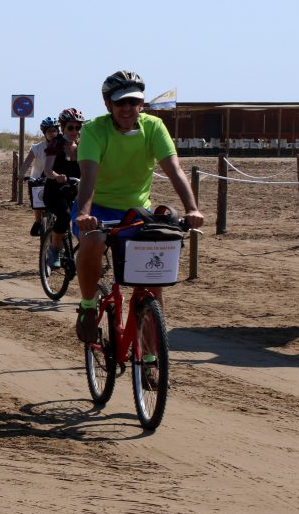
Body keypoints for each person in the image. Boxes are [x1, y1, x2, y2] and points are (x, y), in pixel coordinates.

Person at [73, 70, 204, 343]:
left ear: (141, 104)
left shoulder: (154, 127)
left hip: (136, 212)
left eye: (133, 102)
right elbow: (89, 176)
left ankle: (151, 356)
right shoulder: (94, 130)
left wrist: (192, 208)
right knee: (93, 241)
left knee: (153, 285)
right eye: (120, 102)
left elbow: (174, 170)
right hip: (97, 208)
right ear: (108, 104)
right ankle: (87, 306)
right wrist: (85, 214)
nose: (127, 108)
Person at [42, 108, 84, 268]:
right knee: (65, 216)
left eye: (78, 127)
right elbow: (47, 170)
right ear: (63, 127)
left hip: (74, 190)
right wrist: (56, 176)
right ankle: (54, 249)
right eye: (71, 127)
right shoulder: (56, 144)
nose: (75, 131)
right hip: (55, 192)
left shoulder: (82, 145)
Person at [21, 116, 59, 236]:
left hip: (56, 179)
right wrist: (21, 174)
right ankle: (38, 222)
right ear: (44, 133)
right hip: (38, 180)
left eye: (54, 130)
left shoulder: (63, 146)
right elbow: (27, 162)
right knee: (37, 202)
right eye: (49, 131)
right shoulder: (37, 148)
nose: (52, 134)